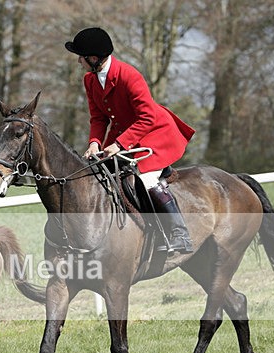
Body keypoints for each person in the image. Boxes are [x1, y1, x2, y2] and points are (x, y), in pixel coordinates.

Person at [65, 27, 196, 254]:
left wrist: (119, 145)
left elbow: (148, 117)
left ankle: (179, 234)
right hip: (125, 135)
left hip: (154, 132)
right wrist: (95, 142)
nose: (78, 61)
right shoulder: (90, 80)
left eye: (81, 57)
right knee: (98, 173)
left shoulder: (129, 75)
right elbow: (98, 117)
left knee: (145, 178)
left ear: (93, 58)